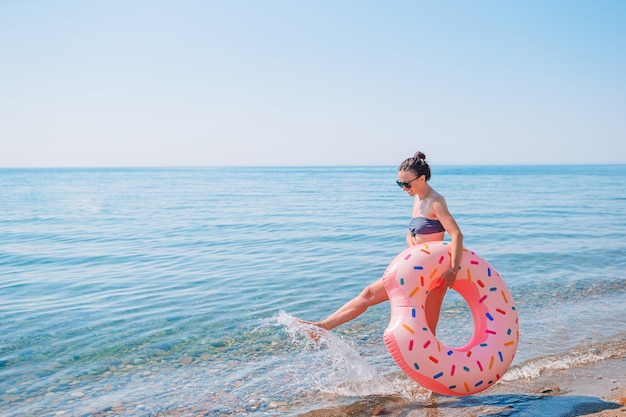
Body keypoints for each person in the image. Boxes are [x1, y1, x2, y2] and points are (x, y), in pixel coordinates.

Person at [301, 151, 463, 334]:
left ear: (422, 178)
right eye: (399, 183)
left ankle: (321, 328)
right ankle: (321, 328)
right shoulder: (417, 200)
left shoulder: (435, 202)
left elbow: (456, 234)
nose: (403, 188)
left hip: (433, 272)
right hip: (414, 266)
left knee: (428, 326)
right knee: (368, 294)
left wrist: (452, 271)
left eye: (406, 183)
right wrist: (415, 254)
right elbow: (410, 234)